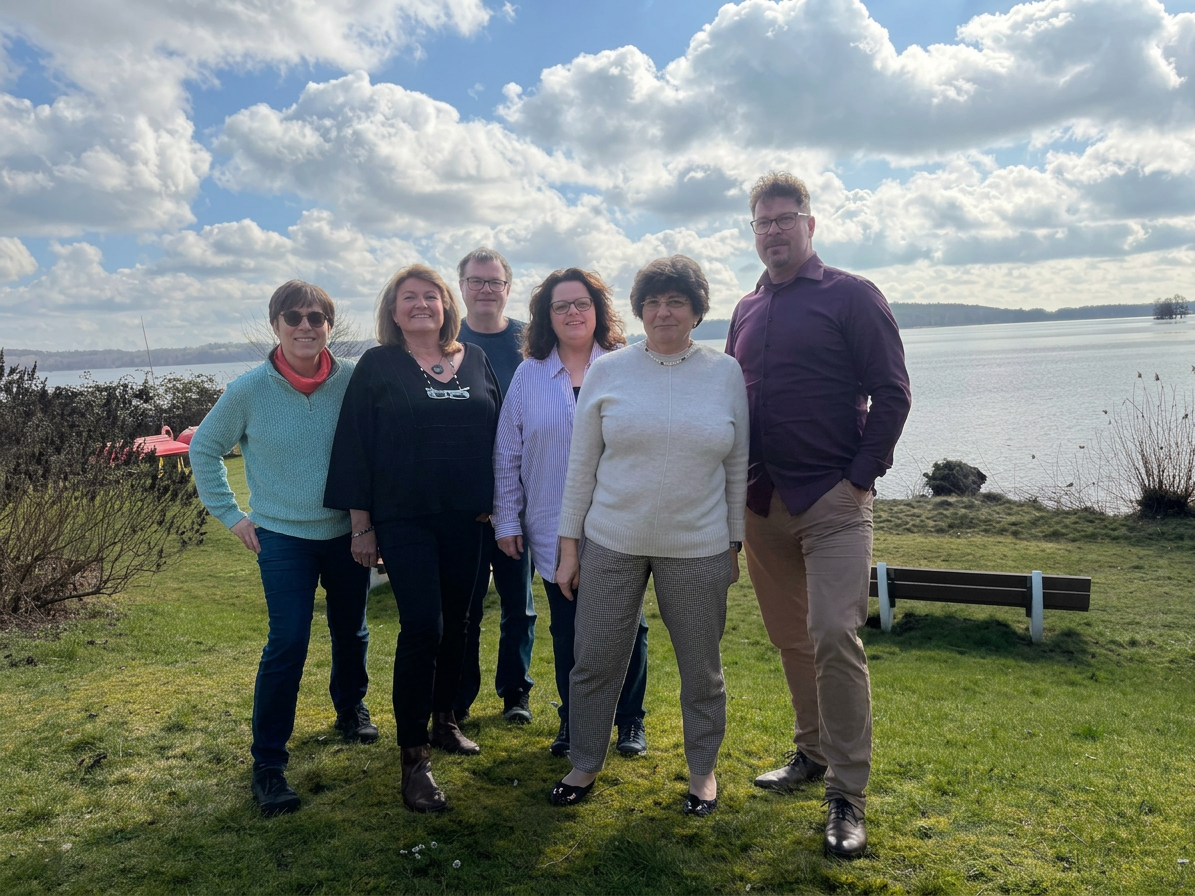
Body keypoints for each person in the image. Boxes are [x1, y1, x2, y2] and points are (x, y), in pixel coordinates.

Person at [726, 172, 912, 858]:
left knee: (834, 633)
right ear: (753, 232)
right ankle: (808, 753)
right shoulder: (744, 311)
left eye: (784, 217)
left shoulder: (852, 296)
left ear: (810, 223)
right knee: (790, 639)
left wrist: (858, 480)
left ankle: (846, 794)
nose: (772, 229)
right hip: (761, 503)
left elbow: (891, 394)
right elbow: (729, 404)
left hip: (832, 503)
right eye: (761, 221)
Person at [550, 255, 748, 816]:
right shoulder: (609, 372)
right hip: (611, 540)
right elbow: (581, 465)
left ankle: (702, 772)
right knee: (595, 661)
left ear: (696, 311)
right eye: (653, 302)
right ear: (639, 311)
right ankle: (585, 762)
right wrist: (570, 548)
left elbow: (737, 466)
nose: (664, 312)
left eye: (676, 301)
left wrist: (734, 544)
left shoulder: (725, 372)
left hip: (700, 545)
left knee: (701, 669)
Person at [190, 280, 375, 817]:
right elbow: (204, 449)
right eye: (293, 316)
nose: (305, 326)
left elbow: (376, 448)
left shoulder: (352, 382)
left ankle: (351, 709)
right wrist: (231, 516)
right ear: (276, 324)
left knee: (352, 629)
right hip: (281, 538)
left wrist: (372, 522)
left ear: (329, 327)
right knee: (288, 642)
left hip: (345, 533)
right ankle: (268, 763)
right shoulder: (249, 389)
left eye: (316, 317)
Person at [324, 264, 501, 813]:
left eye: (431, 296)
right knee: (423, 625)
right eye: (409, 297)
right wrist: (362, 524)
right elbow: (356, 445)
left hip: (466, 518)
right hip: (404, 520)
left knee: (461, 622)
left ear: (447, 305)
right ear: (394, 310)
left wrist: (500, 502)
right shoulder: (379, 365)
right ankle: (413, 758)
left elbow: (500, 433)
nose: (421, 304)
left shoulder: (475, 359)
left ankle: (445, 718)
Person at [491, 268, 650, 760]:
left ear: (598, 310)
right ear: (547, 317)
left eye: (582, 303)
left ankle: (628, 722)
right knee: (567, 628)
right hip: (549, 524)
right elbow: (508, 452)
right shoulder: (529, 374)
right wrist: (506, 519)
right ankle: (573, 721)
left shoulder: (628, 366)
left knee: (629, 627)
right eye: (561, 306)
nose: (573, 313)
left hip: (619, 524)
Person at [453, 247, 537, 726]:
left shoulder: (531, 340)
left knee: (518, 606)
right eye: (476, 281)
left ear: (508, 287)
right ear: (461, 286)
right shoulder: (447, 340)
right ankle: (460, 698)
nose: (486, 289)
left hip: (519, 501)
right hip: (463, 502)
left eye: (494, 281)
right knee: (465, 610)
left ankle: (515, 693)